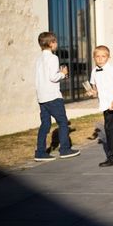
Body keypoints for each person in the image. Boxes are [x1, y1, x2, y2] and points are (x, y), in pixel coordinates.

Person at [34, 32, 80, 161]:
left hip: (42, 98)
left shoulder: (38, 59)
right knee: (63, 122)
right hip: (53, 97)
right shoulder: (53, 58)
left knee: (45, 124)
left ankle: (40, 152)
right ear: (50, 43)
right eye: (55, 42)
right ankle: (65, 150)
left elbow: (39, 79)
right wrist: (63, 73)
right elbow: (53, 77)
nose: (57, 44)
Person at [88, 45, 113, 167]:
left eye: (103, 56)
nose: (100, 59)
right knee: (111, 131)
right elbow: (95, 91)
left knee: (112, 132)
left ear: (108, 57)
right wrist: (92, 93)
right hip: (104, 105)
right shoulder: (94, 72)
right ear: (94, 57)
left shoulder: (112, 70)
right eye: (97, 56)